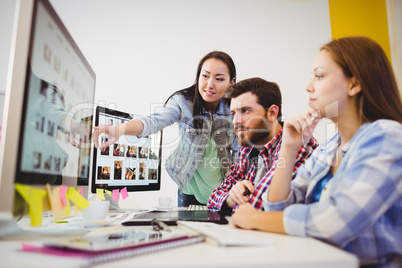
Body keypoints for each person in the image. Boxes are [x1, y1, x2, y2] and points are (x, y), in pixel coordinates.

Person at [231, 36, 402, 267]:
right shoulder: (329, 149)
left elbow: (335, 223)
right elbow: (278, 208)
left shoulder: (387, 136)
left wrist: (254, 218)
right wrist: (289, 148)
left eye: (319, 76)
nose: (308, 86)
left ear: (354, 84)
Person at [93, 51, 239, 206]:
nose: (210, 84)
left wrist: (236, 186)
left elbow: (239, 152)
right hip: (189, 190)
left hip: (222, 190)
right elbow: (154, 121)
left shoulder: (234, 110)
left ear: (231, 82)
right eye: (205, 76)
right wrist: (120, 129)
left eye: (219, 79)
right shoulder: (183, 102)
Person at [208, 77, 318, 213]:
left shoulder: (297, 143)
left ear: (272, 113)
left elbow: (258, 208)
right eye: (233, 113)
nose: (236, 121)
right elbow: (213, 199)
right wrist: (230, 198)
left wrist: (236, 201)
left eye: (245, 111)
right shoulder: (246, 150)